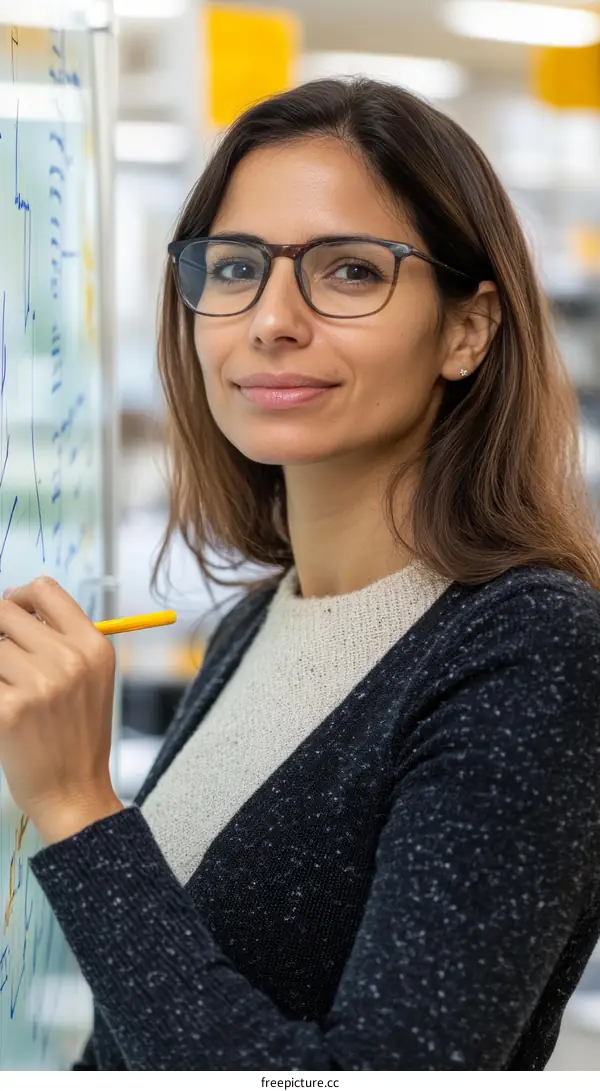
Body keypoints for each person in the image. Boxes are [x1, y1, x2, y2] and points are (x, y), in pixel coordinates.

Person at [4, 76, 600, 1070]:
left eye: (351, 271)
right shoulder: (259, 620)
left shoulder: (531, 645)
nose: (270, 319)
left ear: (469, 328)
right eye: (234, 266)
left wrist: (77, 805)